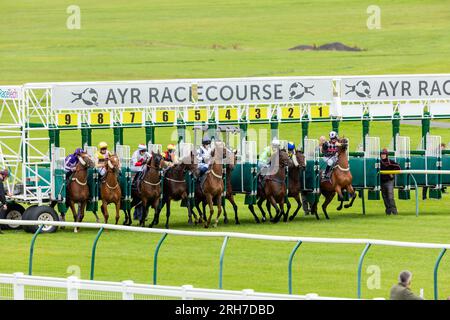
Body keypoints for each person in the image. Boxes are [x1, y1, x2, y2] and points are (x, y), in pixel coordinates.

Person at [380, 148, 401, 215]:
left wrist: (392, 174)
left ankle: (394, 211)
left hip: (389, 181)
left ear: (387, 155)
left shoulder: (390, 162)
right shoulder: (378, 162)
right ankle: (388, 211)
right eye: (382, 154)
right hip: (382, 182)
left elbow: (398, 167)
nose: (382, 155)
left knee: (390, 196)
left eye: (384, 154)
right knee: (384, 197)